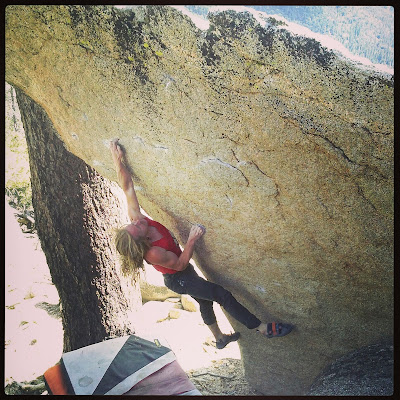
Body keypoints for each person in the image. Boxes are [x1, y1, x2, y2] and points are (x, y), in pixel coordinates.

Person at [110, 139, 293, 349]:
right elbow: (180, 264)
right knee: (221, 295)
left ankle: (220, 339)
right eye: (137, 227)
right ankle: (261, 328)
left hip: (183, 272)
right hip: (179, 279)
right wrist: (192, 240)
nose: (138, 221)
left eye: (133, 223)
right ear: (141, 241)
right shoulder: (153, 253)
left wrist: (117, 161)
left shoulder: (136, 220)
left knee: (205, 300)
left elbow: (127, 186)